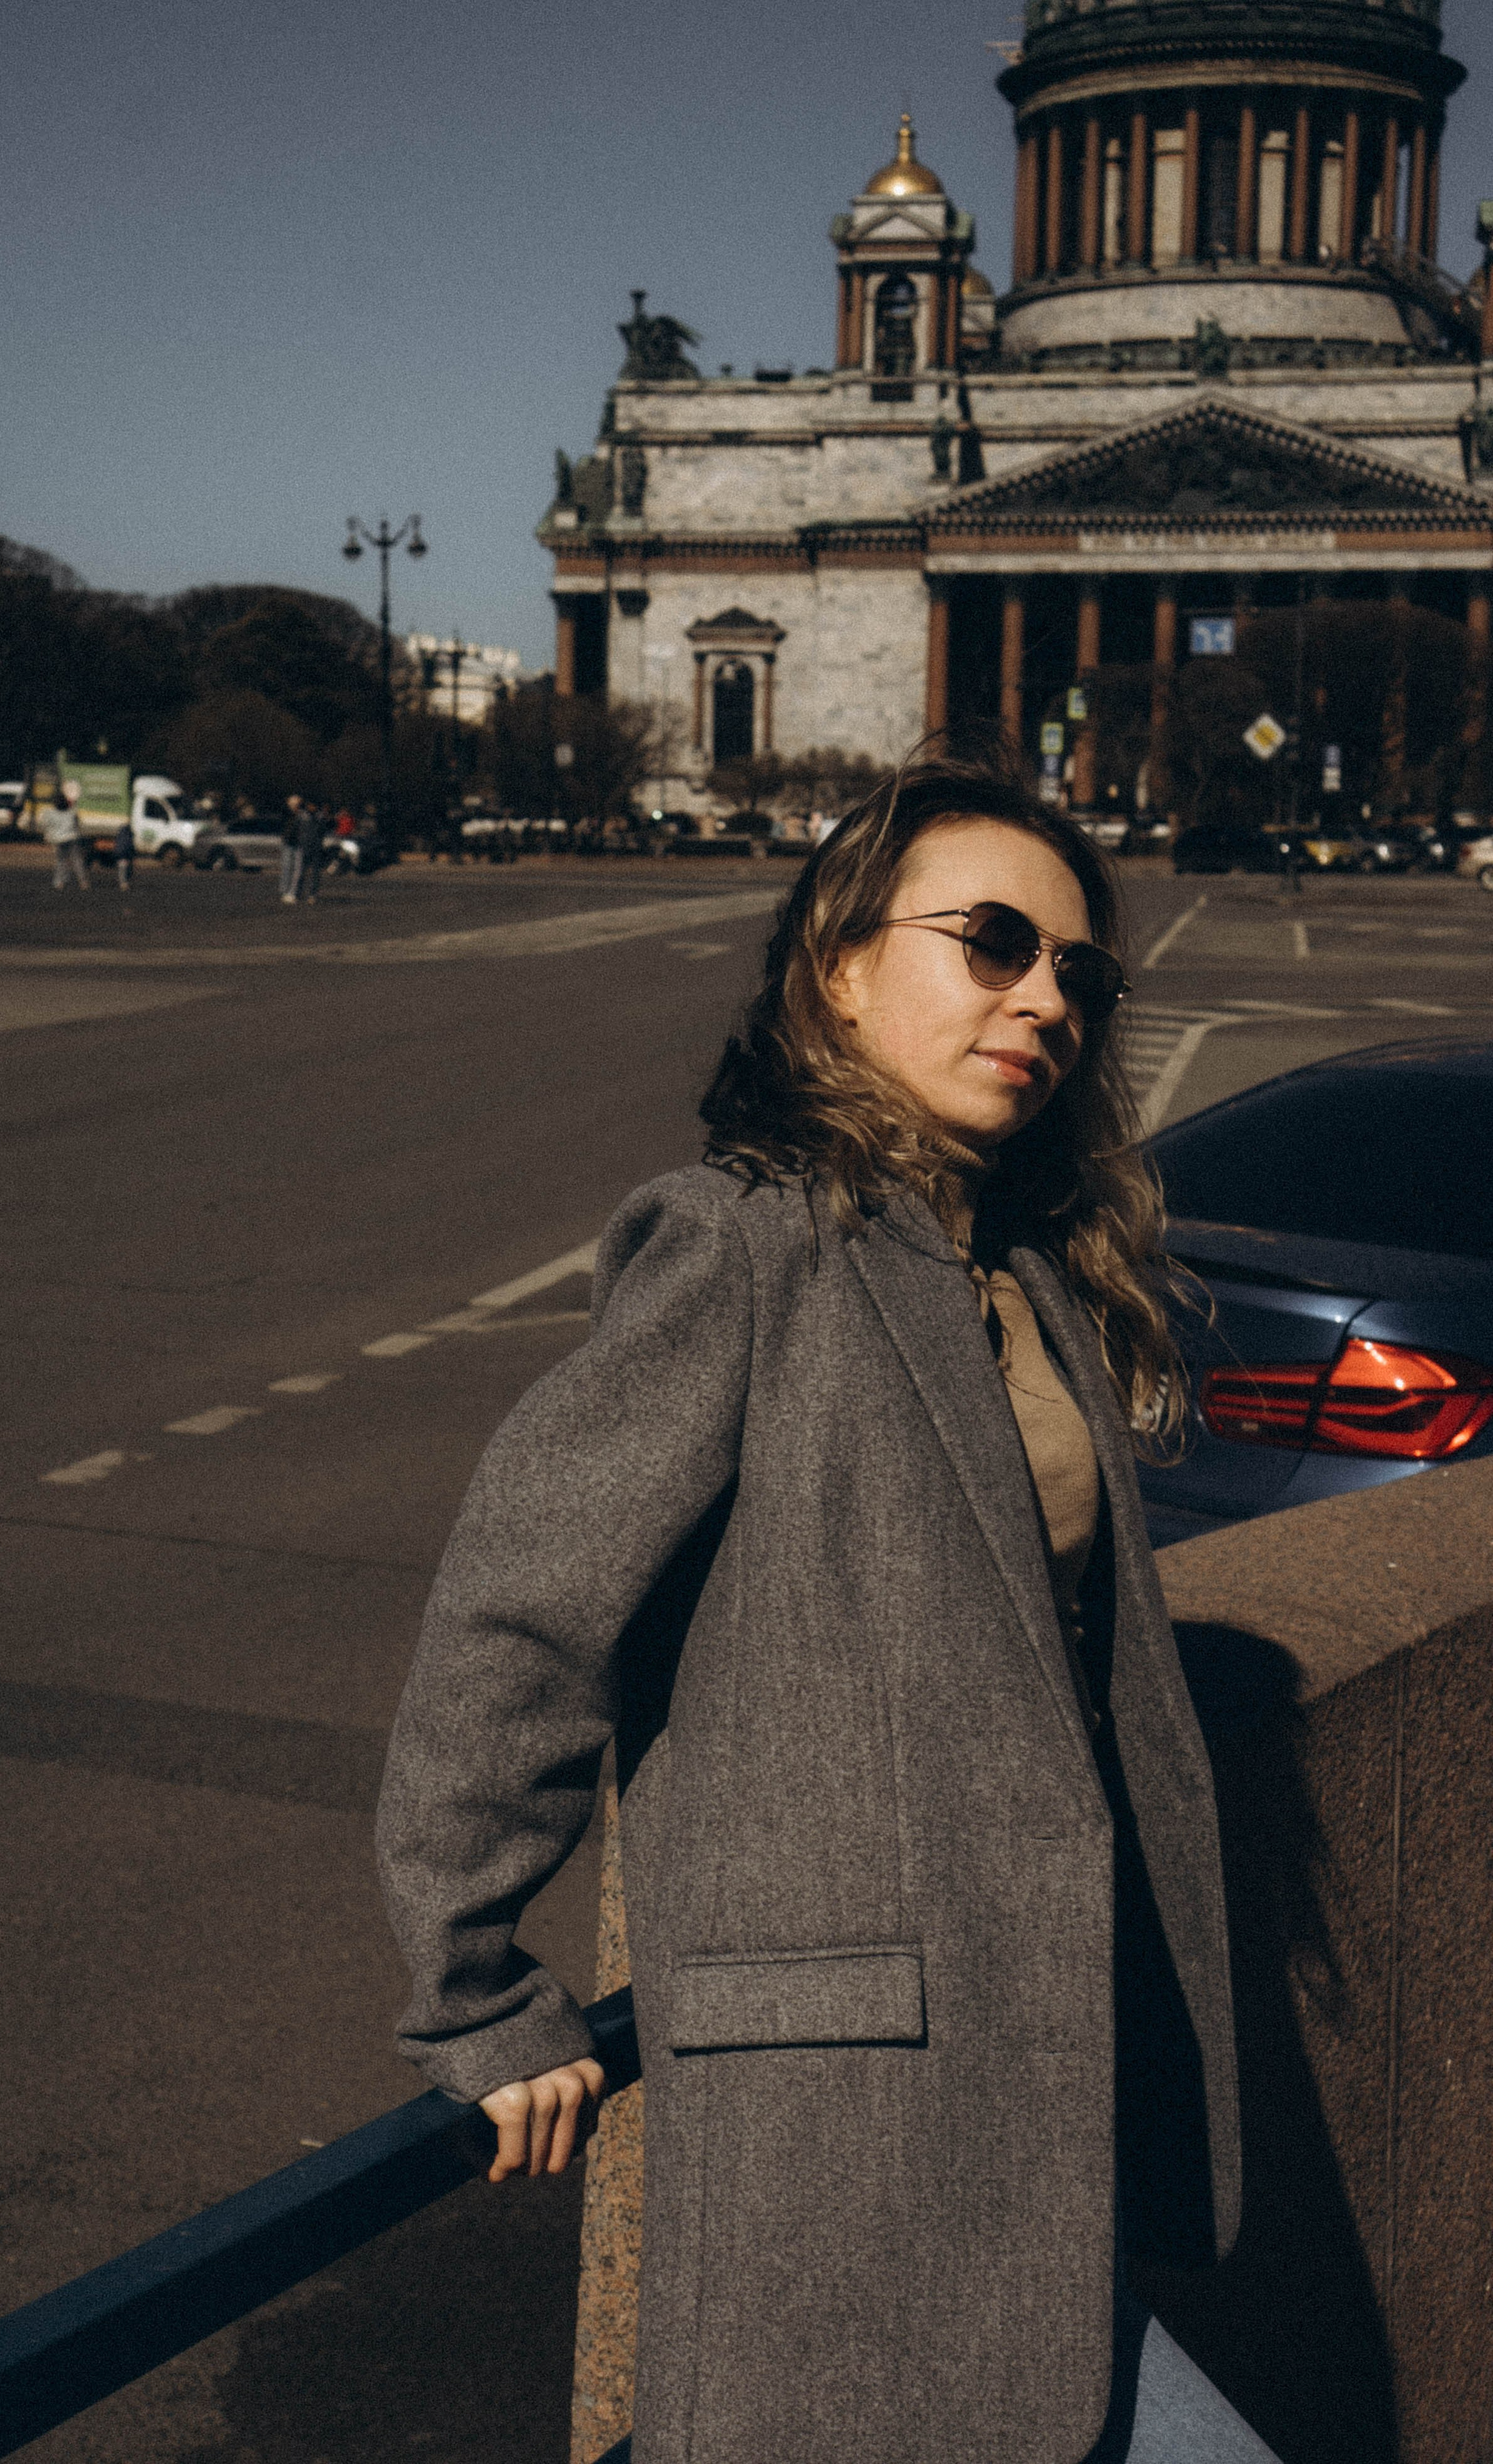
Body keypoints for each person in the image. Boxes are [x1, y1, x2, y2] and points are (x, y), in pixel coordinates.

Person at [378, 748, 1279, 2464]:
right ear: (843, 960)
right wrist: (476, 1988)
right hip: (846, 2112)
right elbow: (517, 1611)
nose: (1048, 1000)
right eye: (994, 942)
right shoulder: (745, 1245)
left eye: (1081, 971)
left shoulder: (1023, 1271)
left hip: (1040, 2082)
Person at [47, 785, 90, 891]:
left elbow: (48, 826)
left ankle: (59, 883)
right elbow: (77, 822)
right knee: (77, 861)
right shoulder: (71, 813)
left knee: (61, 862)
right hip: (72, 839)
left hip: (58, 840)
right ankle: (83, 882)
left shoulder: (51, 814)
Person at [295, 799, 327, 903]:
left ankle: (313, 894)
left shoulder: (320, 817)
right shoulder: (303, 816)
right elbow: (298, 830)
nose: (312, 808)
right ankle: (297, 893)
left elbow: (323, 831)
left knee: (315, 873)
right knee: (301, 871)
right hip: (305, 847)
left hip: (316, 847)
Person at [279, 796, 304, 903]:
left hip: (297, 844)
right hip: (289, 843)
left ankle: (292, 892)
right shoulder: (288, 815)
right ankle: (285, 890)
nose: (295, 807)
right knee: (287, 867)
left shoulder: (301, 816)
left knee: (296, 869)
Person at [112, 815, 135, 891]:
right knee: (126, 869)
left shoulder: (120, 835)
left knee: (121, 869)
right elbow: (130, 846)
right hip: (125, 855)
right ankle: (124, 883)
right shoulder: (129, 834)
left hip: (120, 854)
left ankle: (123, 883)